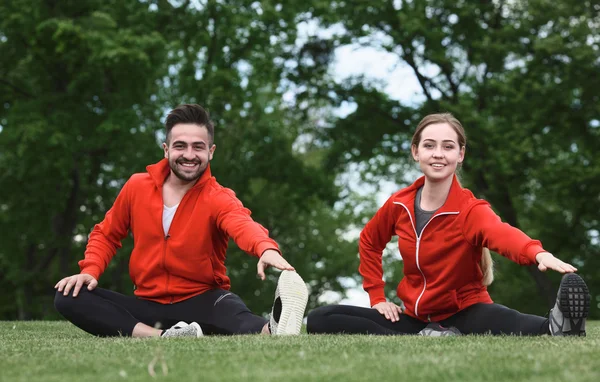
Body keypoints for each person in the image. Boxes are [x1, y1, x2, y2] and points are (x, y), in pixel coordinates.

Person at [307, 113, 590, 337]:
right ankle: (427, 335)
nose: (438, 153)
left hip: (465, 312)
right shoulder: (399, 204)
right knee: (321, 318)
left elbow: (503, 234)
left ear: (460, 154)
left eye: (448, 146)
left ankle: (559, 325)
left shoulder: (470, 210)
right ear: (416, 152)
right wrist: (377, 297)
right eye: (429, 146)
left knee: (510, 321)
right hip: (415, 318)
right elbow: (369, 241)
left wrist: (537, 253)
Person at [54, 104, 308, 337]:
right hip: (148, 305)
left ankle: (273, 328)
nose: (189, 154)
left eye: (198, 147)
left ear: (211, 152)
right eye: (180, 146)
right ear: (166, 149)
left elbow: (242, 224)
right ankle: (162, 337)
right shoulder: (136, 187)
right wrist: (90, 271)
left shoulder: (218, 197)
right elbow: (107, 234)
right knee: (67, 296)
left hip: (205, 300)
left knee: (238, 318)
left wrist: (265, 248)